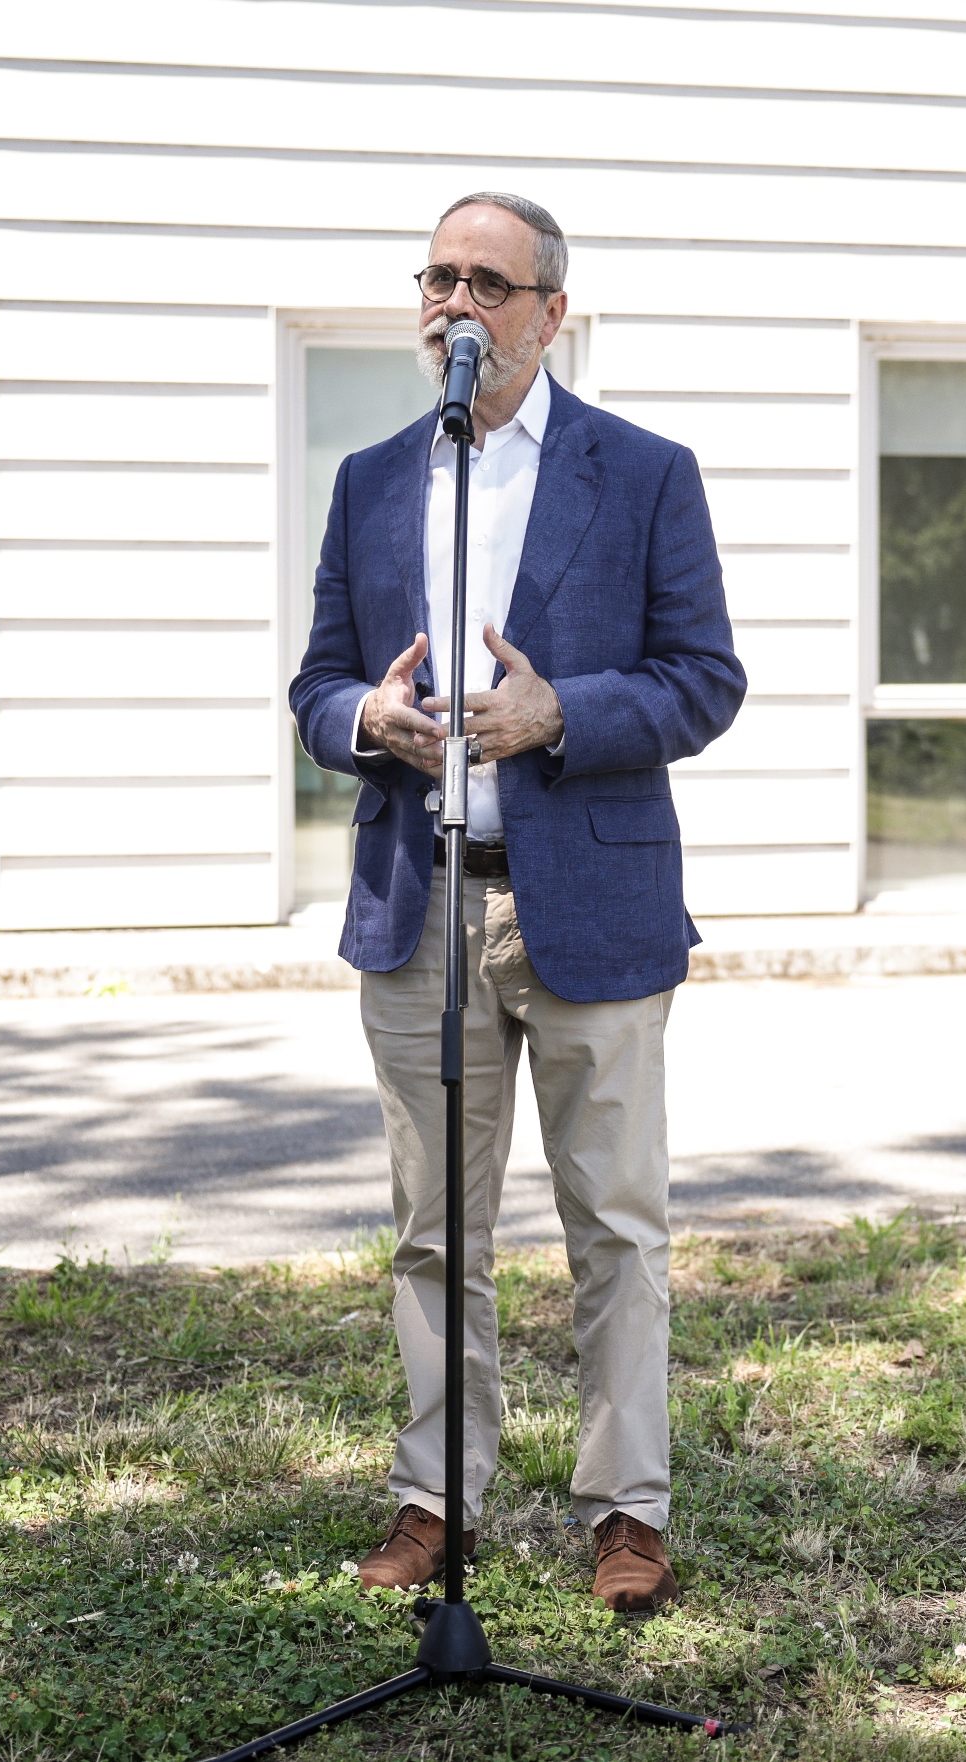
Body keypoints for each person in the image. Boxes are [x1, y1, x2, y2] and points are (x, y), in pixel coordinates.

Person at [289, 192, 745, 1612]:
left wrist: (561, 713)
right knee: (436, 1227)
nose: (456, 304)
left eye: (488, 282)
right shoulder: (372, 479)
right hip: (417, 902)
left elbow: (703, 678)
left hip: (589, 904)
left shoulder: (644, 471)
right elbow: (312, 683)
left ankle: (627, 1507)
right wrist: (366, 716)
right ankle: (435, 1495)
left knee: (613, 1221)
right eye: (436, 277)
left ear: (550, 313)